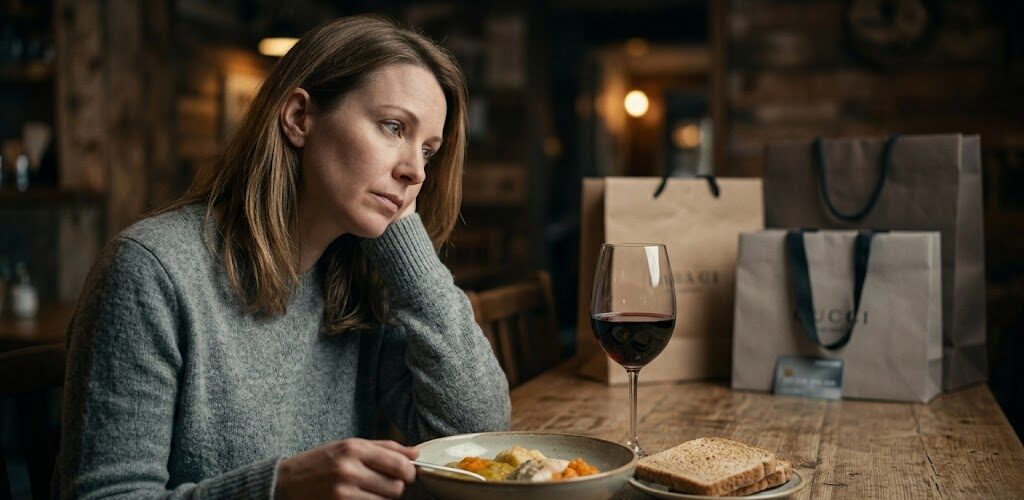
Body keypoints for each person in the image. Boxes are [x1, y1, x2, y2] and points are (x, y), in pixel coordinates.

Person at [54, 15, 511, 500]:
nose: (415, 170)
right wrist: (279, 488)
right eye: (393, 127)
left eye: (429, 151)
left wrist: (407, 249)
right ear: (298, 118)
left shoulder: (361, 277)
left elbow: (475, 434)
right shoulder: (151, 270)